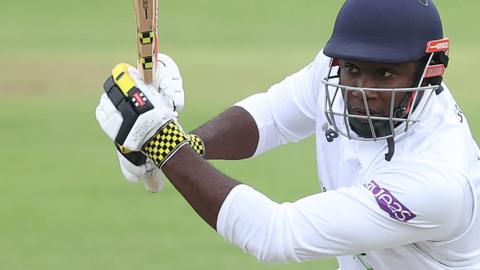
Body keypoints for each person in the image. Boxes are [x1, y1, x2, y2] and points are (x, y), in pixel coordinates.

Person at [96, 0, 480, 269]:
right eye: (352, 69)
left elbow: (277, 234)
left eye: (384, 74)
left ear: (429, 71)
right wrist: (187, 146)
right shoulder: (340, 70)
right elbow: (272, 117)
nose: (360, 89)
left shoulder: (438, 181)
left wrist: (163, 142)